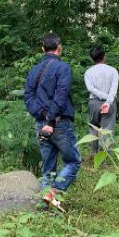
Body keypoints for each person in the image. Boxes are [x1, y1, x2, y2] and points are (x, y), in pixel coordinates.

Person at [23, 32, 81, 209]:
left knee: (48, 168)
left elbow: (28, 95)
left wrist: (40, 114)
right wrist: (50, 119)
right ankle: (53, 192)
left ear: (42, 49)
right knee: (74, 161)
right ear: (59, 47)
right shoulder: (63, 68)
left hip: (41, 124)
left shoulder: (34, 70)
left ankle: (43, 207)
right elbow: (61, 94)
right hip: (58, 123)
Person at [84, 46, 119, 157]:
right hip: (109, 103)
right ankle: (105, 156)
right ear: (104, 56)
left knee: (94, 128)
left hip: (94, 103)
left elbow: (91, 89)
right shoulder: (113, 70)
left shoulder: (88, 72)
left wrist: (102, 96)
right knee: (107, 130)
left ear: (93, 58)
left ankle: (94, 153)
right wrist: (108, 101)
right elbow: (114, 89)